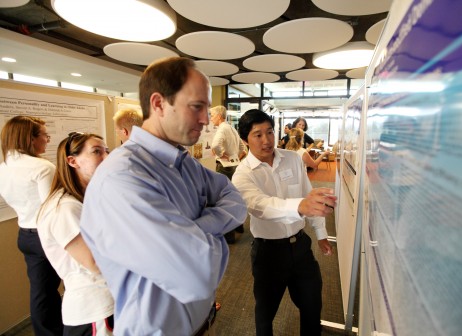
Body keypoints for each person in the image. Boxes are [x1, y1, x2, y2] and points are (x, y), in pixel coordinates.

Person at [80, 57, 247, 335]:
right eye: (197, 107)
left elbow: (235, 200)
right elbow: (198, 274)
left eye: (207, 108)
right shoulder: (122, 177)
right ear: (158, 104)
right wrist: (209, 230)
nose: (206, 120)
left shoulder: (183, 160)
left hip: (201, 323)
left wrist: (193, 230)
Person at [231, 109, 336, 336]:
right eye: (257, 135)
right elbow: (261, 206)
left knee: (311, 306)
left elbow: (309, 196)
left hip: (300, 247)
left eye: (269, 132)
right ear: (244, 139)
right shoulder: (242, 174)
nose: (266, 140)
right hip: (268, 253)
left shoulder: (292, 159)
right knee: (265, 315)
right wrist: (299, 206)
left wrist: (321, 233)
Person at [37, 132, 114, 336]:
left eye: (107, 151)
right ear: (72, 161)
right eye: (97, 152)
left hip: (109, 300)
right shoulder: (65, 208)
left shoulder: (87, 199)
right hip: (94, 308)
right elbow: (95, 262)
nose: (106, 158)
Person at [0, 116, 64, 336]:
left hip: (25, 235)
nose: (47, 140)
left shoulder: (3, 167)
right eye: (44, 136)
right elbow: (53, 208)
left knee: (41, 293)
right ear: (30, 138)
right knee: (77, 284)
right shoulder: (42, 167)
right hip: (47, 236)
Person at [210, 105, 247, 243]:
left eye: (212, 115)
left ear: (219, 116)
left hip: (224, 167)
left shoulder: (222, 128)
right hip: (235, 166)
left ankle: (229, 235)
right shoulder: (231, 128)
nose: (211, 118)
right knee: (235, 197)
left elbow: (214, 145)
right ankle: (239, 226)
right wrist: (234, 157)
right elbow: (243, 148)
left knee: (224, 200)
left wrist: (221, 154)